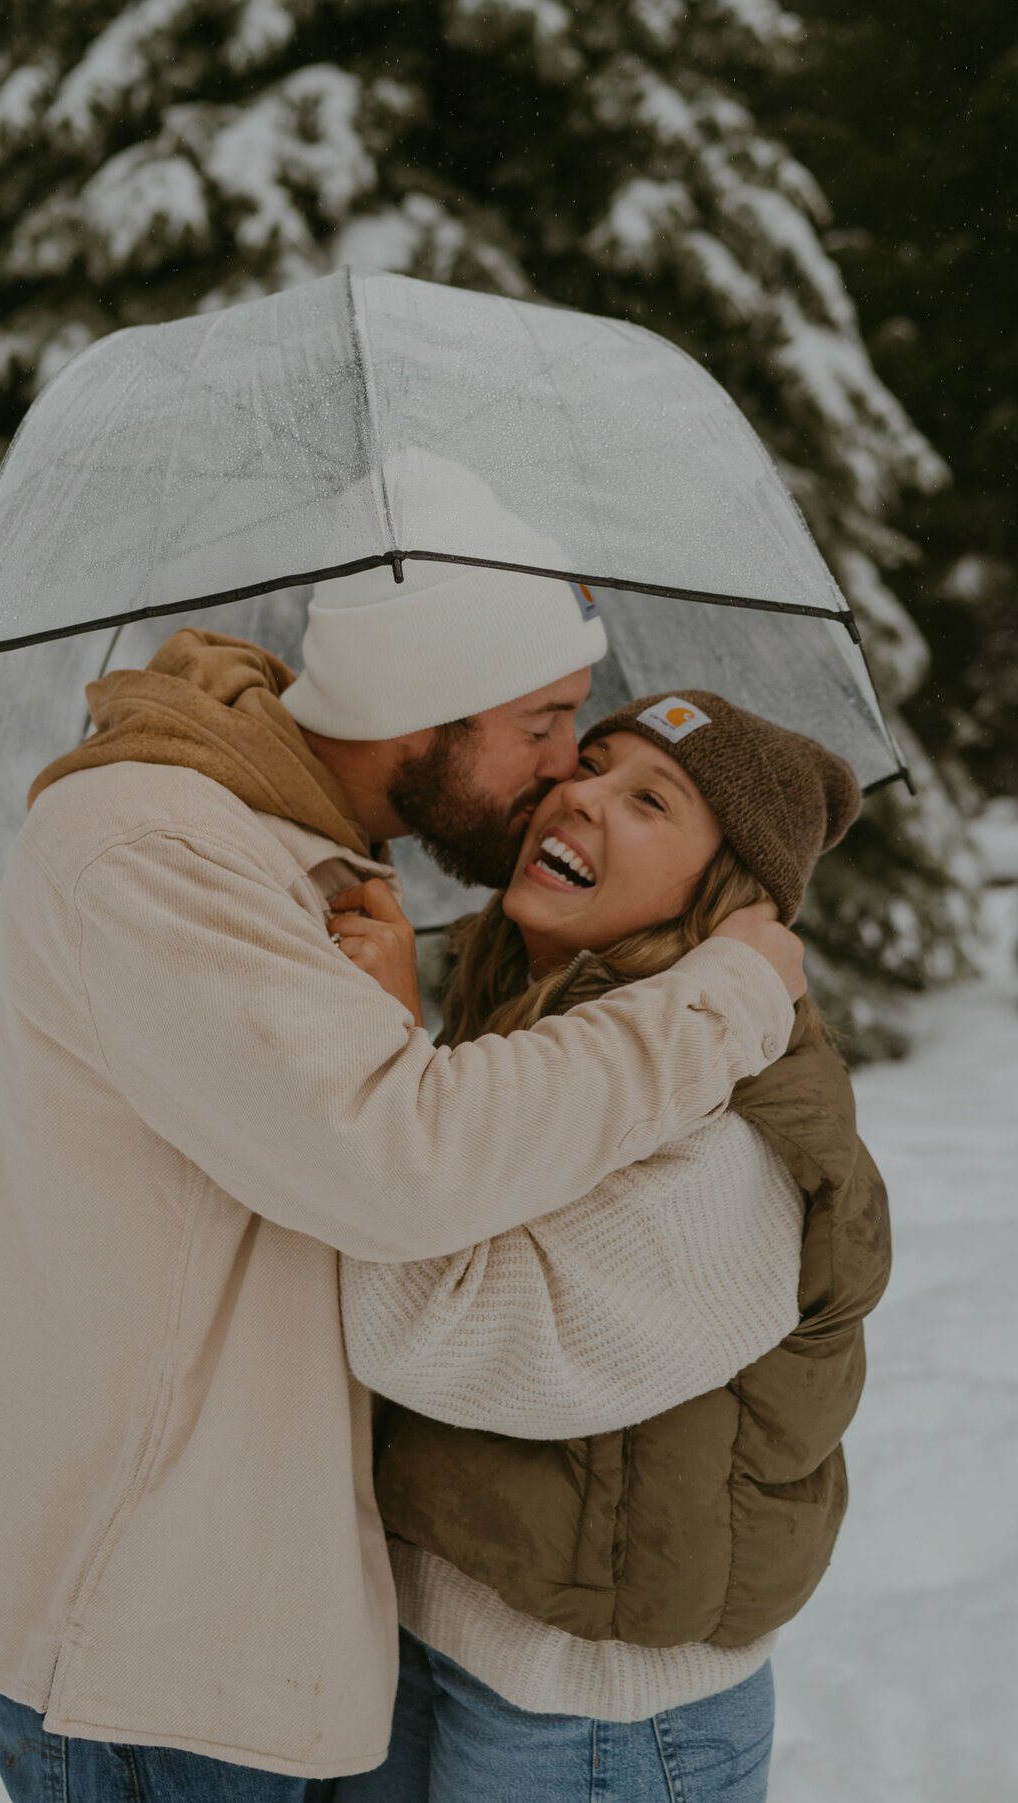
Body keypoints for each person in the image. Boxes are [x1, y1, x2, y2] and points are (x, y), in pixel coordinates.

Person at [0, 561, 804, 1801]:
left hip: (554, 1701)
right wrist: (723, 996)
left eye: (630, 784)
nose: (560, 778)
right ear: (426, 711)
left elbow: (441, 1261)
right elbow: (406, 1170)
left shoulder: (706, 1112)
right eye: (552, 733)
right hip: (147, 1652)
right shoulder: (168, 847)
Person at [332, 691, 891, 1803]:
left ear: (723, 895)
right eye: (587, 765)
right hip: (424, 1637)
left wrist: (379, 1061)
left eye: (649, 799)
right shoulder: (544, 1035)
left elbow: (434, 1336)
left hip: (599, 1722)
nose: (577, 794)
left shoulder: (737, 1131)